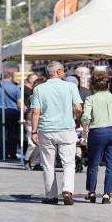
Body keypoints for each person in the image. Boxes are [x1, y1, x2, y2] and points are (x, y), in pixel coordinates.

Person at [31, 62, 83, 206]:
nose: (65, 73)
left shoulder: (39, 89)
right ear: (58, 72)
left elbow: (35, 111)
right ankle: (67, 190)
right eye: (63, 71)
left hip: (46, 130)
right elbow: (78, 108)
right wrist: (78, 120)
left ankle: (51, 195)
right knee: (69, 163)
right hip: (66, 129)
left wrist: (34, 131)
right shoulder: (71, 87)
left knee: (48, 164)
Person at [81, 71, 112, 204]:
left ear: (93, 85)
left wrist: (85, 129)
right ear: (108, 84)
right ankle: (106, 194)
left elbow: (86, 117)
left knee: (93, 163)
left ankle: (91, 192)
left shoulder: (90, 99)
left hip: (97, 132)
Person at [0, 71, 22, 160]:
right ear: (11, 77)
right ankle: (12, 153)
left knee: (1, 134)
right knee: (13, 134)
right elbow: (19, 102)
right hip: (14, 113)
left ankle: (2, 154)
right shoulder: (15, 88)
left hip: (0, 113)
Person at [24, 77, 46, 169]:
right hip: (31, 122)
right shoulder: (33, 97)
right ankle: (27, 159)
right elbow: (35, 111)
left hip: (40, 122)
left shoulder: (42, 95)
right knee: (32, 143)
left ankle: (35, 162)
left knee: (39, 144)